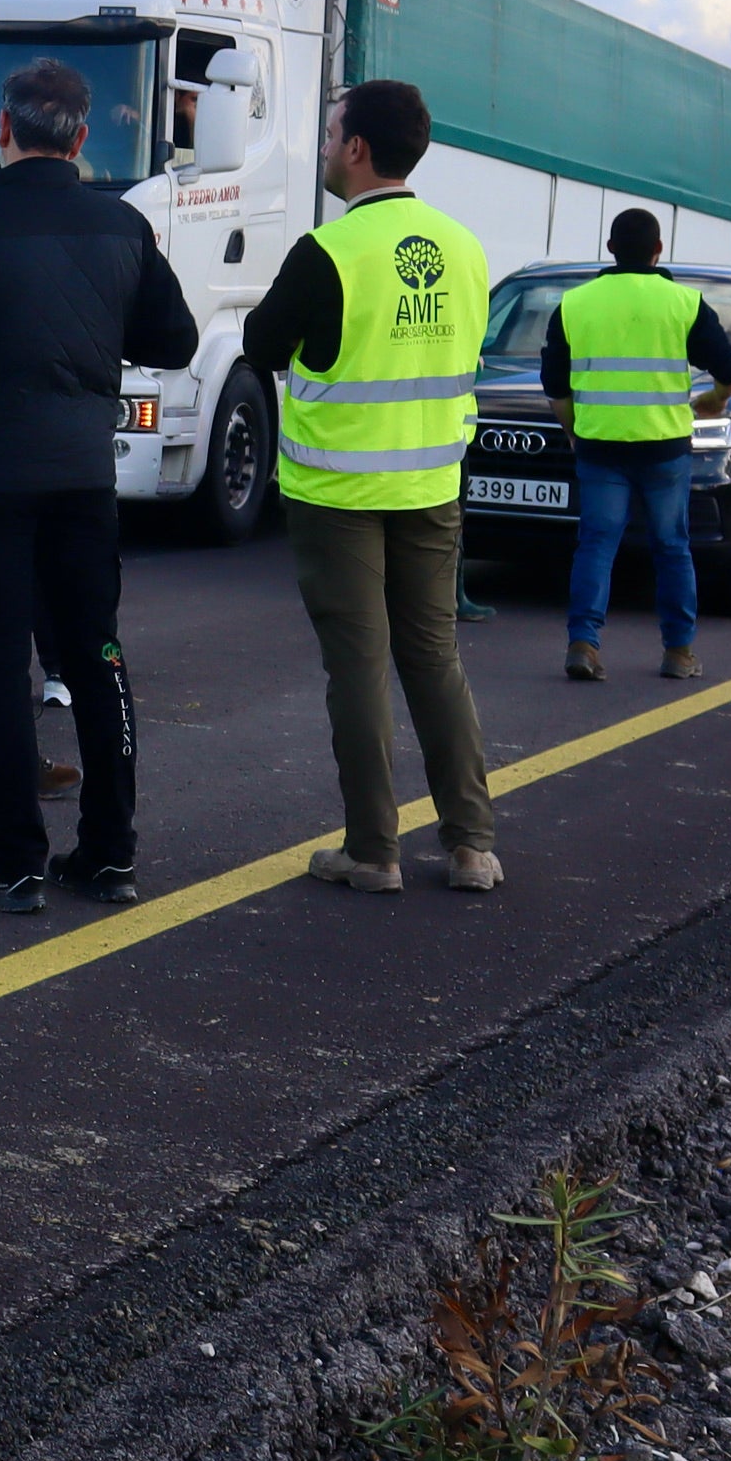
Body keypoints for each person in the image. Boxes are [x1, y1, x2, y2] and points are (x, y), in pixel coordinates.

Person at [0, 58, 198, 913]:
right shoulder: (121, 227)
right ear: (80, 136)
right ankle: (110, 853)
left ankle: (13, 860)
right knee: (96, 655)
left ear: (4, 129)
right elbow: (174, 339)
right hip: (81, 473)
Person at [246, 78, 499, 895]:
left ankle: (373, 851)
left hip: (338, 493)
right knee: (435, 659)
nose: (324, 148)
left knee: (358, 667)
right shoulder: (464, 246)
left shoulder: (329, 251)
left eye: (329, 135)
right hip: (431, 485)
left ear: (356, 149)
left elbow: (263, 344)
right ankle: (471, 847)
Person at [546, 208, 731, 682]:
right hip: (664, 447)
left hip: (600, 446)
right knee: (672, 546)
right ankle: (678, 653)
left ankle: (583, 644)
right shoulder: (684, 302)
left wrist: (575, 432)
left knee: (596, 544)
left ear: (610, 248)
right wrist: (713, 400)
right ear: (658, 251)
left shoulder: (574, 304)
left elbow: (556, 388)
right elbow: (730, 371)